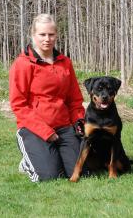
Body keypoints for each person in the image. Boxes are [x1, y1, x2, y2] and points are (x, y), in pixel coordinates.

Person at [9, 14, 85, 182]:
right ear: (33, 35)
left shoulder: (65, 62)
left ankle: (53, 154)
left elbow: (74, 100)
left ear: (56, 35)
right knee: (50, 177)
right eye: (42, 34)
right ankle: (27, 162)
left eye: (51, 34)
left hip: (64, 126)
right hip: (34, 128)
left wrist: (80, 124)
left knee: (80, 172)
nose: (47, 39)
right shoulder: (23, 64)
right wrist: (45, 132)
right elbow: (18, 105)